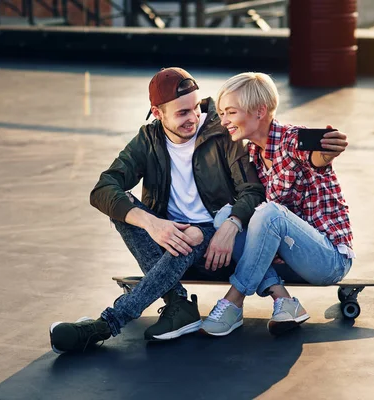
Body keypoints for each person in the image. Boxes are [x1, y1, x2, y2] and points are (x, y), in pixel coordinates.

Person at [48, 67, 265, 353]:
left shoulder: (221, 133)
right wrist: (151, 223)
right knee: (122, 209)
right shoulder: (148, 140)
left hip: (215, 235)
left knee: (188, 238)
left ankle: (107, 324)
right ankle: (178, 304)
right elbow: (103, 188)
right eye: (181, 113)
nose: (193, 118)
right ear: (157, 112)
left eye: (195, 108)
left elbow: (252, 190)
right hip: (166, 234)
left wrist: (231, 223)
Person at [199, 72, 353, 337]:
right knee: (226, 215)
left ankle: (234, 301)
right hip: (287, 260)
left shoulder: (292, 140)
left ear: (259, 111)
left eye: (230, 112)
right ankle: (283, 300)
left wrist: (325, 153)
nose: (224, 121)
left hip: (326, 259)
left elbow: (314, 156)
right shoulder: (253, 155)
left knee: (270, 213)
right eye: (222, 113)